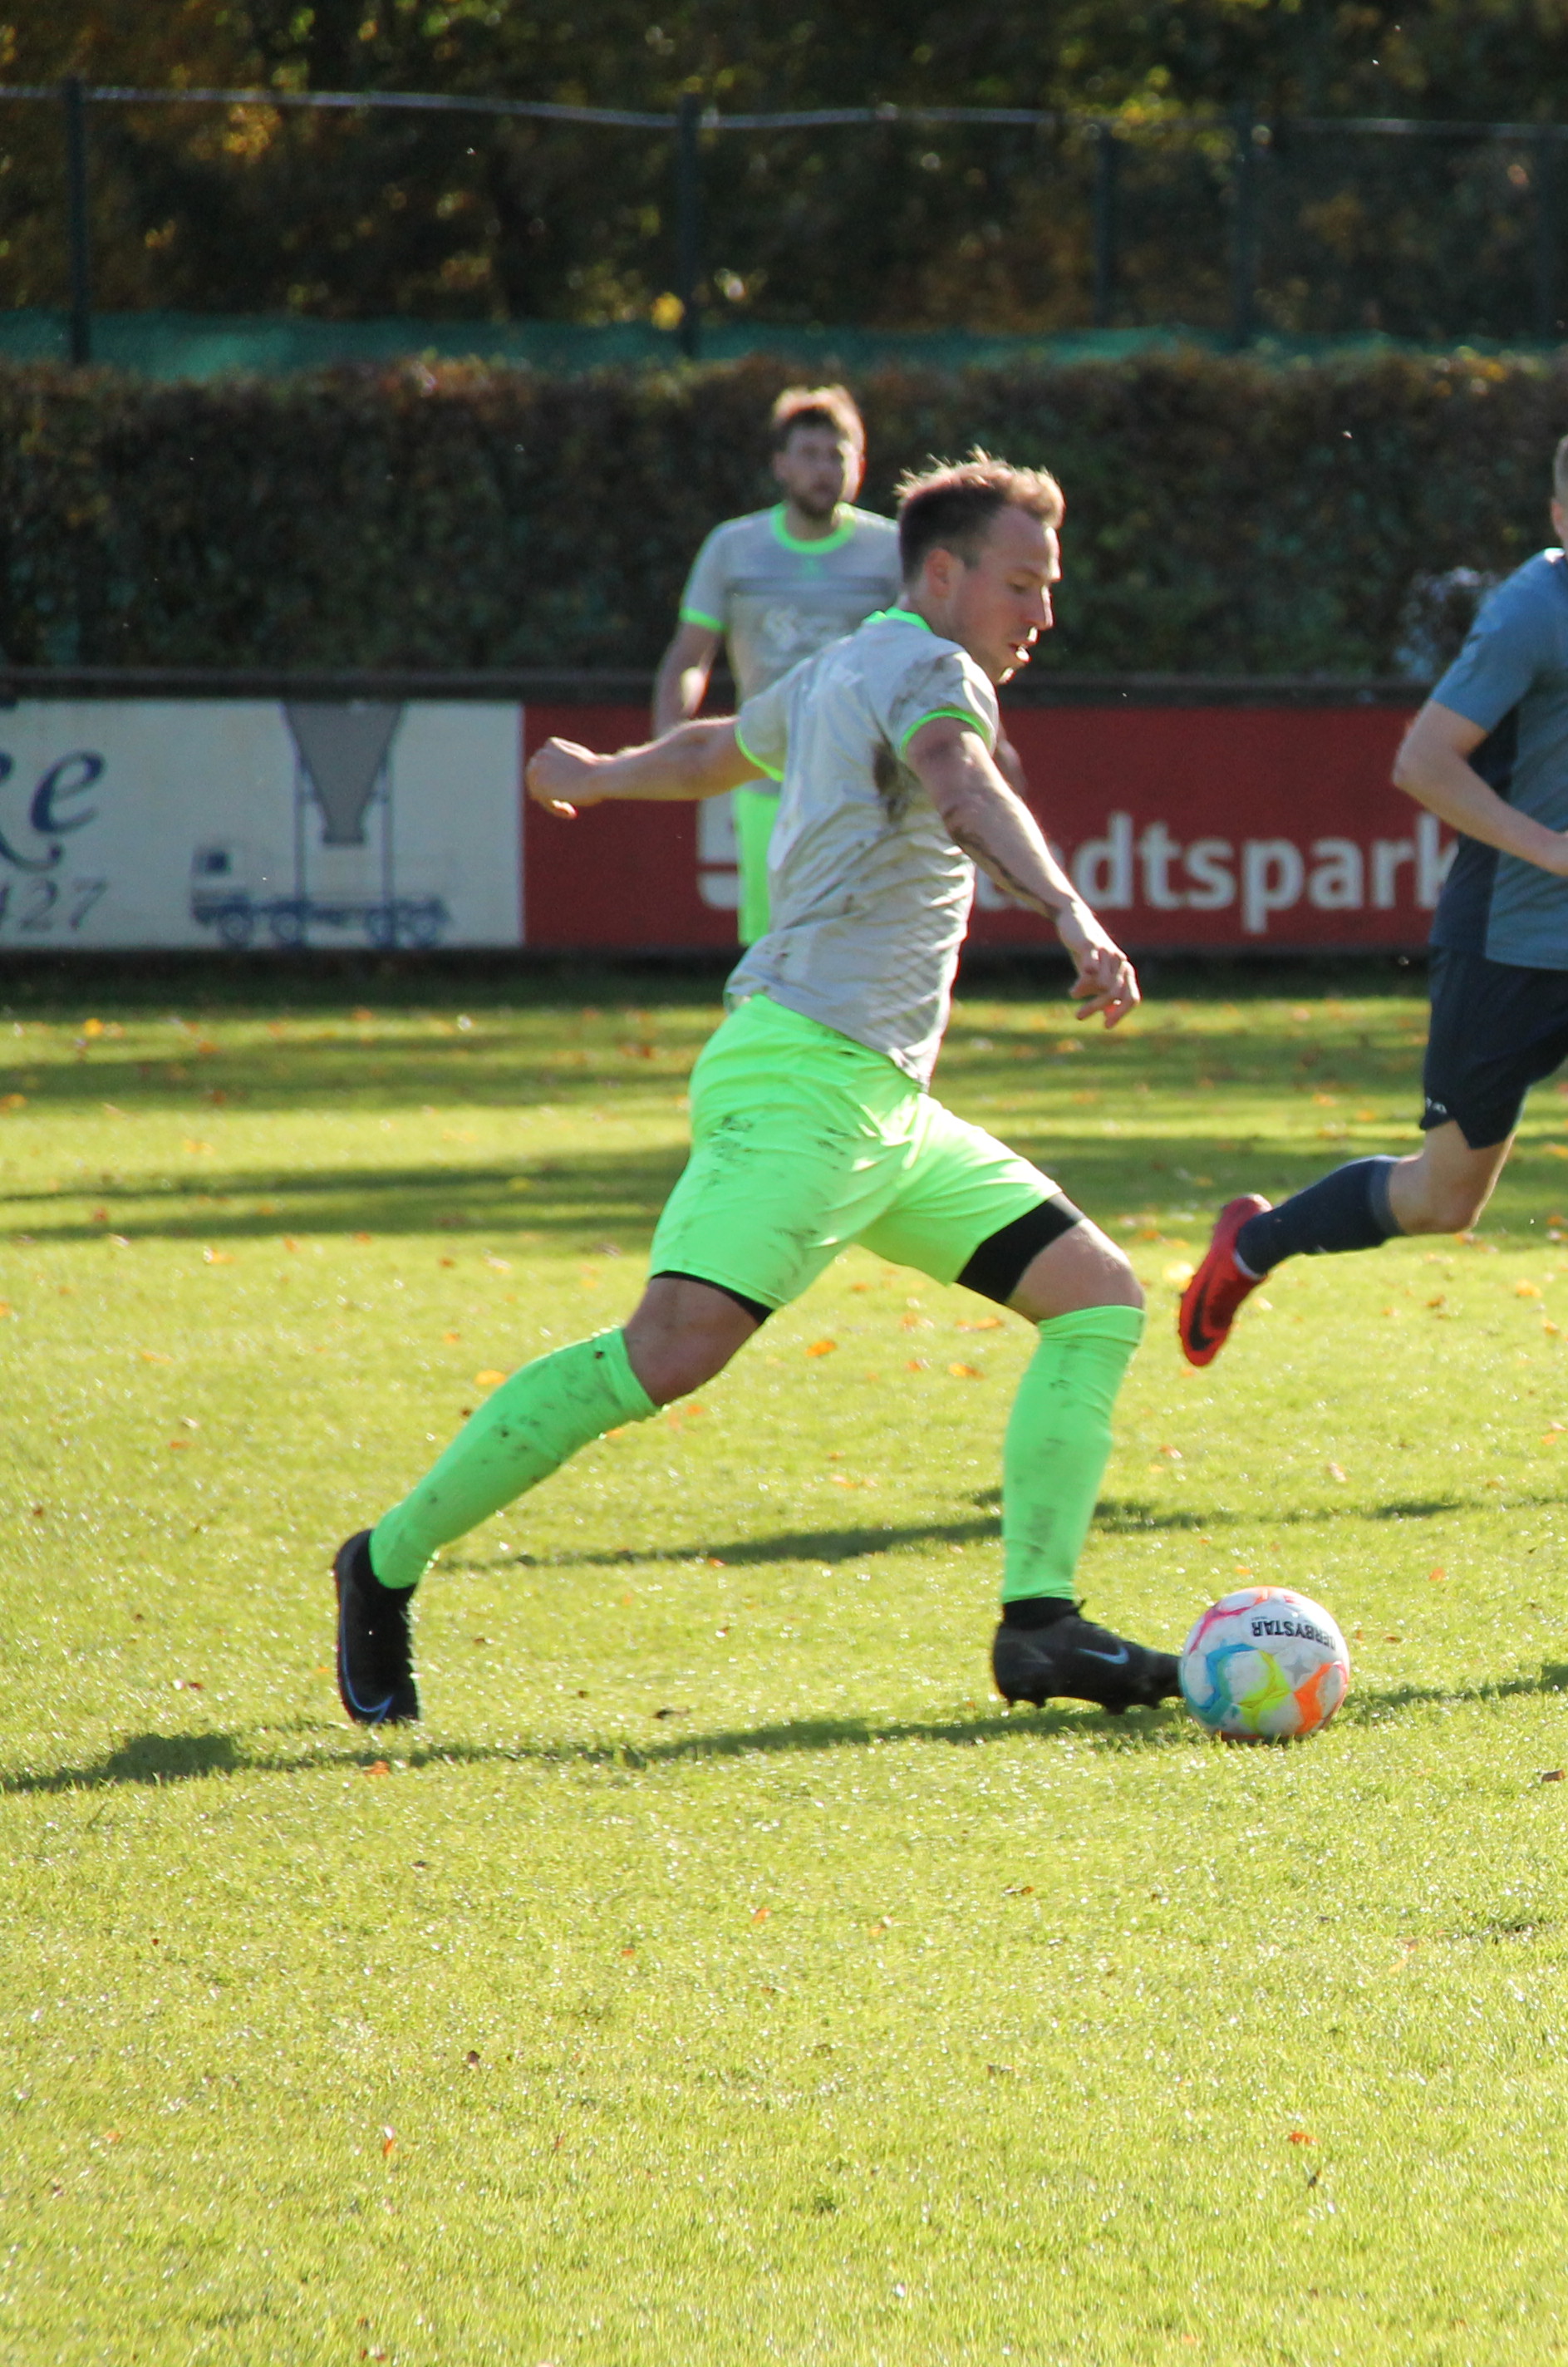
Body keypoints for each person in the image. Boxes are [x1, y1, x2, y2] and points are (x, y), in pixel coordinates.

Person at [331, 454, 1177, 1725]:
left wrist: (605, 773)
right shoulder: (929, 676)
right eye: (1022, 584)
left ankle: (1041, 1629)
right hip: (804, 1084)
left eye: (1048, 587)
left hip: (880, 1105)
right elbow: (960, 783)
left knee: (1097, 1298)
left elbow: (728, 744)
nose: (1042, 614)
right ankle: (382, 1563)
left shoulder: (849, 665)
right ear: (943, 576)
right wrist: (1067, 908)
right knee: (668, 1354)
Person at [1172, 418, 1568, 1500]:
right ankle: (1256, 1245)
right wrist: (1550, 848)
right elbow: (1422, 762)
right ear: (1559, 518)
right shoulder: (1528, 616)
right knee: (1445, 1200)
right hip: (1504, 949)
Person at [656, 386, 907, 946]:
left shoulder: (890, 553)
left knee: (859, 947)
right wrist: (669, 741)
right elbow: (690, 654)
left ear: (860, 467)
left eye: (837, 455)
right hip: (767, 780)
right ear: (781, 465)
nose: (824, 469)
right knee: (771, 951)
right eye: (810, 454)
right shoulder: (734, 548)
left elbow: (930, 661)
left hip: (865, 786)